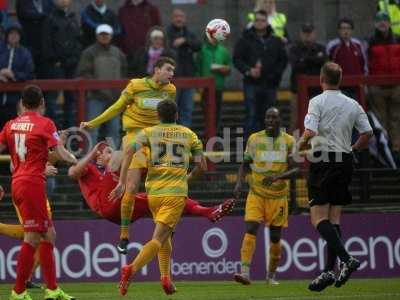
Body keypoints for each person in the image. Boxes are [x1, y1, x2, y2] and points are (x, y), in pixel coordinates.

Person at [80, 57, 177, 250]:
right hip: (135, 140)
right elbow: (116, 107)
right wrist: (93, 123)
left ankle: (166, 223)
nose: (171, 74)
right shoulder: (135, 85)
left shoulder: (170, 90)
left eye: (173, 71)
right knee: (131, 188)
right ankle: (124, 236)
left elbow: (170, 115)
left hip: (157, 140)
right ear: (156, 70)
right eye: (168, 69)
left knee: (162, 187)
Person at [117, 100, 207, 296]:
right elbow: (202, 166)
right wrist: (187, 177)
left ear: (158, 116)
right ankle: (130, 269)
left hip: (154, 194)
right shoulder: (189, 134)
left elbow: (129, 150)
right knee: (158, 239)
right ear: (177, 115)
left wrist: (122, 180)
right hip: (175, 194)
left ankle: (166, 278)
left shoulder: (148, 132)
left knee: (165, 235)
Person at [299, 62, 373, 291]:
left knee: (318, 218)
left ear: (322, 78)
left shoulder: (317, 102)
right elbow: (368, 133)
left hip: (323, 159)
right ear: (339, 80)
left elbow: (310, 132)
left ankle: (346, 259)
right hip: (345, 160)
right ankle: (328, 272)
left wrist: (299, 147)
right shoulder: (353, 104)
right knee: (334, 219)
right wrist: (353, 148)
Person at [0, 85, 77, 300]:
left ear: (22, 104)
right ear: (42, 103)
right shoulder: (45, 123)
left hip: (17, 183)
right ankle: (18, 291)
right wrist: (75, 159)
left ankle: (51, 289)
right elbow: (60, 152)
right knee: (33, 237)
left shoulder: (10, 124)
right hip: (32, 184)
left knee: (48, 235)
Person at [233, 107, 298, 285]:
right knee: (251, 228)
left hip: (278, 197)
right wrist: (239, 182)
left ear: (280, 120)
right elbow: (245, 164)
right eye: (267, 117)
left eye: (273, 118)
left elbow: (296, 169)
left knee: (275, 237)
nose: (270, 120)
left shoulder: (289, 141)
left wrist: (278, 177)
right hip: (256, 194)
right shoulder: (254, 139)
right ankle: (245, 272)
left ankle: (271, 275)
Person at [233, 9, 288, 142]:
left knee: (270, 116)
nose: (259, 23)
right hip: (251, 83)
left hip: (270, 84)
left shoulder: (276, 40)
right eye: (257, 20)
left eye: (262, 20)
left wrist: (275, 75)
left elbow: (283, 60)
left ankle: (270, 144)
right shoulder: (244, 39)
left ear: (267, 22)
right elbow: (237, 59)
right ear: (253, 22)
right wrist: (248, 70)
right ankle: (250, 147)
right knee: (251, 115)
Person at [78, 24, 127, 145]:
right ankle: (90, 159)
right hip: (95, 97)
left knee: (114, 131)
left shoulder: (118, 53)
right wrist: (98, 89)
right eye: (102, 34)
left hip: (115, 98)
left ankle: (112, 159)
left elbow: (124, 71)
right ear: (97, 36)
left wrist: (120, 91)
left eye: (106, 34)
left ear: (111, 36)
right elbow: (84, 73)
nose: (104, 37)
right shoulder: (89, 52)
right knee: (92, 129)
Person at [41, 0, 81, 128]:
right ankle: (52, 131)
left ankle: (70, 131)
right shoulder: (49, 18)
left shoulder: (73, 17)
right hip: (56, 65)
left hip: (72, 64)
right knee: (52, 99)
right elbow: (46, 44)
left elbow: (78, 40)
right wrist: (55, 60)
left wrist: (74, 58)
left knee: (70, 99)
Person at [367, 11, 400, 155]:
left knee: (396, 118)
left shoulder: (398, 39)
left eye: (385, 21)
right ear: (375, 23)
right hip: (377, 86)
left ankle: (396, 149)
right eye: (380, 21)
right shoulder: (370, 41)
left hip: (396, 85)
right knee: (380, 120)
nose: (382, 23)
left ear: (389, 23)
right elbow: (365, 63)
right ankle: (383, 149)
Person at [289, 22, 326, 131]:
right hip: (297, 90)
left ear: (314, 34)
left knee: (318, 120)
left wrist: (304, 59)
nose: (307, 36)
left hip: (317, 91)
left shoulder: (321, 48)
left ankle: (317, 146)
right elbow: (296, 65)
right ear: (301, 34)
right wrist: (314, 59)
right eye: (305, 33)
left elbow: (323, 62)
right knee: (296, 120)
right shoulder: (294, 49)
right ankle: (295, 145)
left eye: (310, 33)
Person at [167, 9, 201, 127]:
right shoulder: (167, 33)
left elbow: (198, 45)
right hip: (171, 79)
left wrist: (185, 41)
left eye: (181, 16)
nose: (179, 19)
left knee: (187, 109)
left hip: (188, 77)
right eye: (176, 16)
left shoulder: (189, 33)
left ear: (185, 19)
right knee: (171, 110)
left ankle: (184, 139)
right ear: (172, 18)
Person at [0, 22, 34, 129]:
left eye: (16, 34)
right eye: (11, 33)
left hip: (16, 102)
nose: (14, 36)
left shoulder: (25, 53)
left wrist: (13, 75)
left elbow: (29, 73)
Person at [196, 34, 231, 134]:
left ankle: (215, 135)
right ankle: (207, 134)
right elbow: (197, 68)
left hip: (218, 86)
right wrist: (198, 85)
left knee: (217, 113)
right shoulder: (202, 50)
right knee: (206, 113)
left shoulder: (223, 51)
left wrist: (224, 69)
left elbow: (228, 68)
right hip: (205, 88)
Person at [326, 18, 367, 98]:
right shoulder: (332, 46)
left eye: (348, 28)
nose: (346, 31)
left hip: (357, 85)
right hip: (340, 87)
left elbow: (363, 64)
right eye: (343, 28)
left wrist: (363, 81)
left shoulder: (357, 45)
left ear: (352, 30)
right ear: (339, 30)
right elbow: (329, 66)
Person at [16, 0, 54, 77]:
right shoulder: (22, 2)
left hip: (45, 47)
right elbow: (26, 14)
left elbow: (52, 15)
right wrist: (44, 16)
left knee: (45, 77)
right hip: (29, 44)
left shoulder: (48, 2)